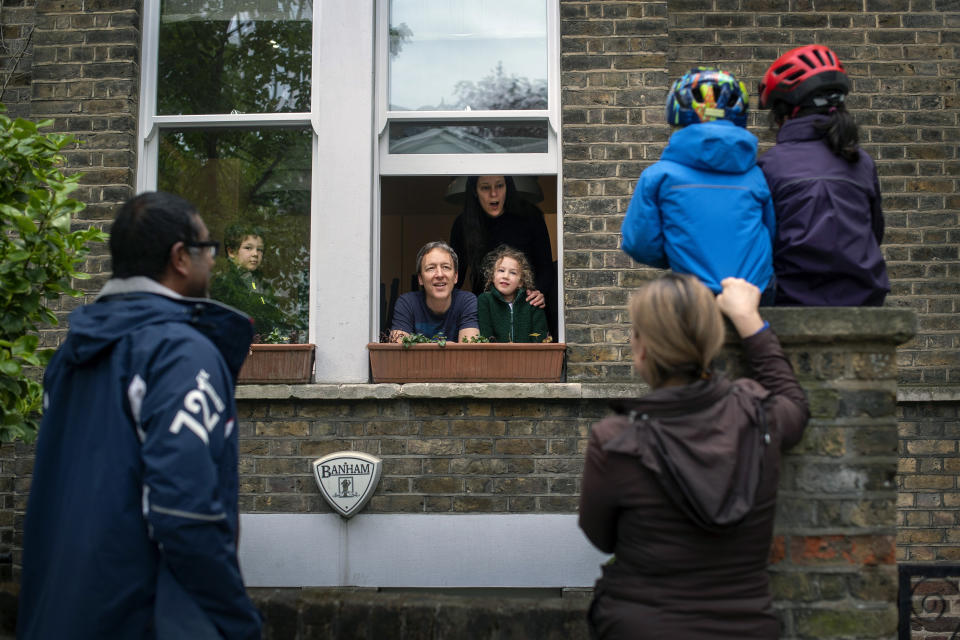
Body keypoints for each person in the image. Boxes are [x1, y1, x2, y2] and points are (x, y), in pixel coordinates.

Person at [19, 192, 262, 639]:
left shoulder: (70, 356)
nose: (212, 262)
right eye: (207, 249)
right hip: (142, 618)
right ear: (180, 259)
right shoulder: (180, 352)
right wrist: (238, 623)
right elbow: (184, 511)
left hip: (57, 614)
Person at [578, 274, 809, 639]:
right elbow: (795, 404)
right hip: (746, 629)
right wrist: (749, 321)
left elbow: (601, 537)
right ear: (712, 339)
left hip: (640, 626)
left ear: (642, 349)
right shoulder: (758, 414)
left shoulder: (615, 440)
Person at [620, 68, 776, 301]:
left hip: (694, 301)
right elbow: (770, 234)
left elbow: (639, 244)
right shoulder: (756, 175)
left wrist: (678, 251)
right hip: (755, 299)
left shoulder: (659, 176)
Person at [757, 44, 890, 306]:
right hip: (864, 303)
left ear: (784, 113)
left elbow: (763, 243)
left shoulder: (771, 165)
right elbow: (875, 232)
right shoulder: (861, 161)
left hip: (792, 304)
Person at [449, 175, 553, 313]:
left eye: (499, 186)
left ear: (507, 187)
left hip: (527, 306)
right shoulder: (463, 223)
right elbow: (455, 275)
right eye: (485, 187)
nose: (493, 193)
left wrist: (540, 292)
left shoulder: (530, 215)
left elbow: (546, 267)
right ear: (475, 191)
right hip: (485, 308)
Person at [389, 241, 480, 343]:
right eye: (431, 268)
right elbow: (397, 351)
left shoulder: (466, 302)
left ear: (455, 276)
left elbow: (470, 351)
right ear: (420, 279)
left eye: (446, 267)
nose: (439, 275)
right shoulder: (407, 303)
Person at [210, 223, 289, 340]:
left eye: (260, 249)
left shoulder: (261, 283)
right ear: (231, 252)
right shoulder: (223, 284)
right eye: (248, 248)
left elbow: (265, 309)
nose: (255, 254)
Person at [477, 245, 550, 343]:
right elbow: (485, 337)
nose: (505, 276)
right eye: (501, 270)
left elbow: (540, 339)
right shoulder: (485, 300)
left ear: (521, 282)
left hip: (528, 357)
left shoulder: (532, 302)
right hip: (494, 357)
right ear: (492, 276)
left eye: (513, 273)